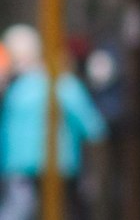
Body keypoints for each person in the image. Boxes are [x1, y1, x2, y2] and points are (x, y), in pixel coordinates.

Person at [0, 25, 107, 220]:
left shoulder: (16, 89)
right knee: (65, 211)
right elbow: (93, 126)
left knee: (17, 211)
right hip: (58, 163)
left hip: (17, 164)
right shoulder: (63, 83)